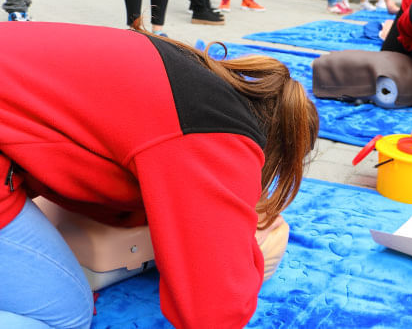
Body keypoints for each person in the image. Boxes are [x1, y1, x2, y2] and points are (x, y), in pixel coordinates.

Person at [0, 21, 319, 328]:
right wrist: (245, 256)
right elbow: (214, 313)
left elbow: (103, 182)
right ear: (273, 154)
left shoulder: (188, 80)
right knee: (62, 316)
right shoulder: (218, 136)